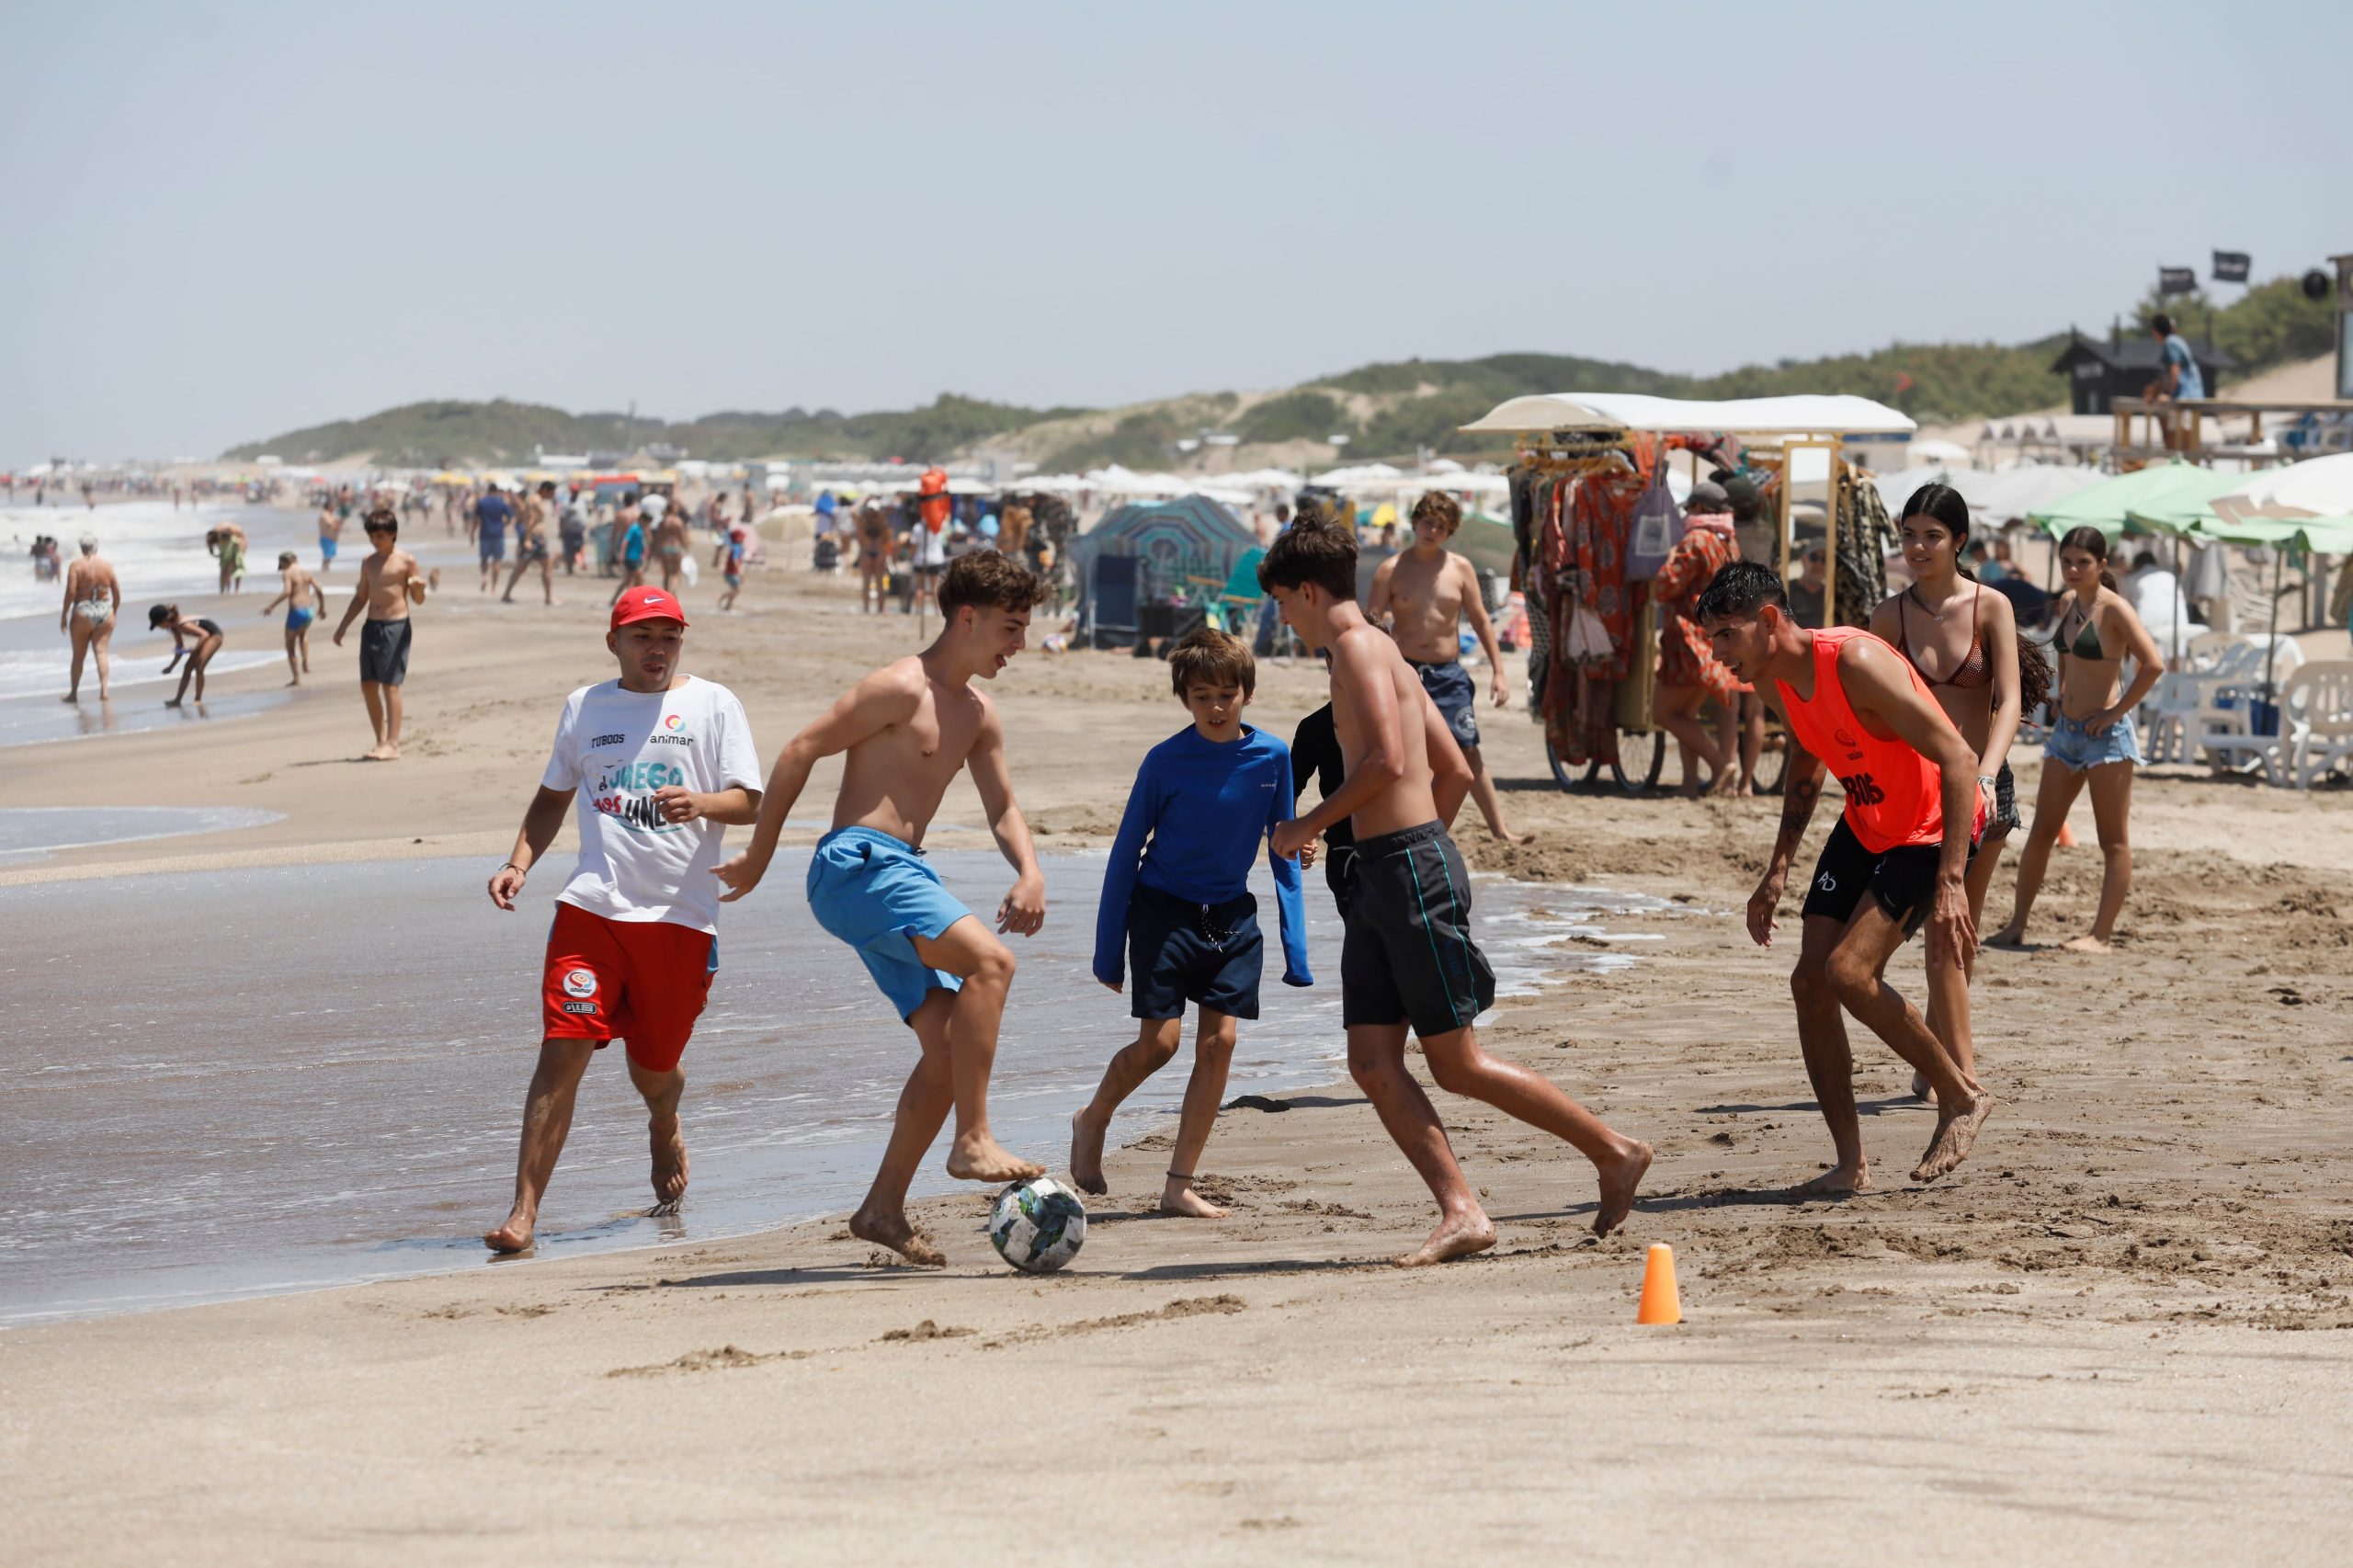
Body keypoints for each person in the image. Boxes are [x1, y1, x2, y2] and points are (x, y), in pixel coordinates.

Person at [1261, 515, 1652, 1264]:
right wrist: (1400, 844)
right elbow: (1456, 773)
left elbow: (1385, 760)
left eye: (1282, 601)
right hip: (1391, 871)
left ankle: (1614, 1150)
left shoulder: (1357, 651)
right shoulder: (1382, 652)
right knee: (1371, 1063)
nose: (1282, 617)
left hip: (1406, 873)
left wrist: (1308, 824)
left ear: (1307, 591)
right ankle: (1462, 1211)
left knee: (1457, 1062)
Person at [712, 551, 1055, 1265]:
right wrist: (759, 855)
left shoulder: (978, 713)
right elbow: (801, 748)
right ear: (968, 618)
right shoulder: (900, 687)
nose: (1020, 644)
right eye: (1011, 627)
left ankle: (881, 1209)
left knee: (949, 1049)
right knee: (993, 961)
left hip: (899, 871)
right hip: (856, 865)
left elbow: (1004, 806)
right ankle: (974, 1138)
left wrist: (1030, 869)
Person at [481, 586, 763, 1253]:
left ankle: (663, 1121)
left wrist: (700, 802)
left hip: (680, 921)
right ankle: (523, 1213)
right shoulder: (586, 707)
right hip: (593, 909)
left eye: (668, 636)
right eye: (642, 636)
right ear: (615, 642)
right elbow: (552, 798)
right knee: (562, 1051)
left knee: (654, 1067)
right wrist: (519, 861)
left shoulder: (714, 704)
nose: (656, 649)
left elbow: (749, 801)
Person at [1697, 560, 1995, 1192]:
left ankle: (1960, 1095)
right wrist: (1778, 867)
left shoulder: (1855, 661)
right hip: (1866, 822)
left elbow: (1960, 757)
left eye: (1726, 634)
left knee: (1848, 973)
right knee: (1810, 982)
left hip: (1927, 830)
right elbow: (1809, 758)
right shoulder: (1774, 680)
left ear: (1770, 620)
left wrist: (1950, 882)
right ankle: (1850, 1165)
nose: (1717, 652)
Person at [1069, 629, 1313, 1217]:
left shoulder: (1273, 756)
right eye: (1202, 695)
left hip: (1230, 915)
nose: (1216, 706)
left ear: (1246, 693)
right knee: (1161, 1045)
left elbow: (1280, 840)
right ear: (1185, 698)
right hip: (1163, 910)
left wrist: (1296, 939)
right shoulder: (1165, 760)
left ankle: (1178, 1184)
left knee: (1220, 1042)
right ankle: (1094, 1115)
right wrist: (1109, 952)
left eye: (1227, 693)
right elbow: (1126, 851)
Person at [1869, 484, 2048, 1098]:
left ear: (1959, 542)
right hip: (1918, 797)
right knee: (1941, 930)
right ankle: (1948, 1066)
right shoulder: (1888, 617)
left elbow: (2009, 699)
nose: (1918, 547)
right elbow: (1871, 708)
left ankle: (1947, 1067)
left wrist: (1989, 772)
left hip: (1986, 788)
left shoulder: (1990, 604)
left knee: (1957, 930)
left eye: (1932, 536)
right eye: (1910, 534)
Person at [1988, 526, 2163, 954]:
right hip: (2067, 732)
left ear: (2101, 566)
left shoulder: (2115, 609)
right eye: (2067, 560)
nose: (2072, 568)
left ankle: (2100, 936)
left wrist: (2114, 713)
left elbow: (2153, 665)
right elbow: (2065, 655)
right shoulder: (2068, 602)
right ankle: (2016, 925)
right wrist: (2062, 693)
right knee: (2042, 831)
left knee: (2112, 840)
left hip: (2107, 737)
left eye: (2082, 562)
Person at [1364, 490, 1527, 843]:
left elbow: (1482, 621)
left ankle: (1500, 830)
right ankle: (1409, 825)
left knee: (1468, 751)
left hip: (1449, 674)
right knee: (1406, 754)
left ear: (1449, 531)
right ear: (1415, 523)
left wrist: (1499, 672)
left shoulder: (1460, 568)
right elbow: (1372, 627)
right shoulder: (1391, 569)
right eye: (1426, 522)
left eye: (1440, 526)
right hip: (1406, 672)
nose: (1431, 531)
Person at [1647, 488, 1749, 797]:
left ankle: (1721, 765)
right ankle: (1690, 784)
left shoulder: (1696, 540)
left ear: (1700, 507)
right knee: (1685, 716)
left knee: (1663, 713)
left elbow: (1664, 587)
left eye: (1690, 507)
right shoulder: (1728, 540)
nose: (1686, 513)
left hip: (1687, 639)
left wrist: (1665, 560)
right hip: (1712, 638)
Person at [330, 506, 431, 761]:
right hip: (372, 626)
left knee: (390, 686)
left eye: (382, 536)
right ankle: (380, 740)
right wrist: (343, 626)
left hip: (396, 626)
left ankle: (393, 744)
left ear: (393, 534)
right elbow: (362, 596)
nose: (377, 541)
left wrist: (418, 588)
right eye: (373, 536)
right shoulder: (368, 561)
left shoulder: (406, 561)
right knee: (368, 685)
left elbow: (418, 600)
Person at [59, 535, 119, 703]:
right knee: (102, 652)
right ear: (96, 547)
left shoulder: (76, 566)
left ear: (81, 548)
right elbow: (116, 592)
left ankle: (74, 693)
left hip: (83, 612)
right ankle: (104, 691)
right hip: (105, 610)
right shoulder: (106, 566)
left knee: (78, 656)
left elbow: (71, 592)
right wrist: (114, 611)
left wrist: (64, 615)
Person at [259, 550, 328, 686]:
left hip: (296, 611)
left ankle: (296, 678)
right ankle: (305, 663)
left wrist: (271, 606)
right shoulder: (306, 572)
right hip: (309, 610)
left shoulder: (287, 573)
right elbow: (319, 589)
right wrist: (322, 607)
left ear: (284, 562)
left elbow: (287, 591)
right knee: (303, 635)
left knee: (290, 645)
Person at [2143, 312, 2207, 453]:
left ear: (2155, 331)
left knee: (2184, 433)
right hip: (2185, 394)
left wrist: (2167, 393)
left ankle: (2187, 464)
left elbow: (2175, 369)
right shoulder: (2174, 341)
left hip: (2186, 395)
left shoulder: (2171, 342)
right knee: (2176, 433)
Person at [150, 603, 224, 708]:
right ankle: (177, 700)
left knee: (199, 666)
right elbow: (180, 648)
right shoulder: (174, 628)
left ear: (164, 620)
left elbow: (205, 635)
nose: (158, 627)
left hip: (214, 635)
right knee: (187, 667)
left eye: (157, 625)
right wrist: (171, 667)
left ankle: (198, 699)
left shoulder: (182, 624)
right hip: (204, 637)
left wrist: (193, 649)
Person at [501, 483, 556, 605]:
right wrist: (527, 539)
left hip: (535, 538)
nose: (553, 496)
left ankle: (548, 597)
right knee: (525, 567)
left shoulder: (535, 499)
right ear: (545, 490)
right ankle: (549, 598)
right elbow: (531, 520)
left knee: (527, 567)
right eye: (552, 493)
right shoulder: (535, 501)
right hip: (534, 538)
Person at [473, 483, 513, 592]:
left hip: (484, 534)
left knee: (484, 559)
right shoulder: (502, 502)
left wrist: (472, 533)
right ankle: (494, 587)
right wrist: (502, 525)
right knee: (497, 561)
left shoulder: (482, 502)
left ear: (488, 491)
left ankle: (485, 576)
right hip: (498, 534)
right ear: (496, 491)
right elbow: (510, 518)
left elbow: (476, 520)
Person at [610, 497, 649, 604]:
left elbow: (615, 533)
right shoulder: (635, 526)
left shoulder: (621, 514)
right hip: (630, 556)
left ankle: (618, 600)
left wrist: (644, 552)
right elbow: (625, 541)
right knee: (639, 578)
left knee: (629, 580)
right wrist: (622, 554)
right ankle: (638, 600)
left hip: (636, 556)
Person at [650, 493, 689, 594]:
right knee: (676, 573)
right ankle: (673, 589)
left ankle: (666, 594)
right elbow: (682, 538)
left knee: (666, 574)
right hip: (676, 548)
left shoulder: (663, 522)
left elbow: (658, 539)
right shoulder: (678, 521)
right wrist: (686, 548)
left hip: (665, 548)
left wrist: (655, 552)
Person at [856, 502, 891, 613]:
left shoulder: (862, 523)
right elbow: (886, 539)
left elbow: (860, 540)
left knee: (866, 583)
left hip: (867, 551)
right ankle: (881, 609)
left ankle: (866, 608)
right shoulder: (882, 524)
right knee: (880, 583)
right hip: (879, 552)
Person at [1785, 544, 1829, 630]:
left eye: (1824, 560)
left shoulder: (1832, 598)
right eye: (1814, 557)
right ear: (1803, 560)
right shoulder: (1786, 590)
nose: (1818, 564)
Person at [208, 523, 247, 594]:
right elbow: (211, 546)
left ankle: (235, 590)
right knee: (224, 572)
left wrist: (235, 558)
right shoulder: (218, 538)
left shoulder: (234, 537)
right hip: (226, 555)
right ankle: (223, 590)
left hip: (236, 553)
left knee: (235, 571)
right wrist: (217, 555)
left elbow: (241, 545)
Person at [557, 484, 587, 575]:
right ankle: (569, 569)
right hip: (569, 531)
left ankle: (577, 564)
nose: (575, 493)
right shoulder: (566, 502)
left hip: (579, 531)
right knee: (569, 551)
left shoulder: (582, 500)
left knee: (578, 549)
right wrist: (561, 531)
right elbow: (562, 518)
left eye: (577, 491)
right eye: (574, 491)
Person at [317, 499, 343, 574]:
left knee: (329, 556)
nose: (334, 507)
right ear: (329, 507)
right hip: (326, 538)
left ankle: (326, 569)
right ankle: (324, 569)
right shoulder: (324, 515)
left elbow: (337, 525)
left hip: (332, 539)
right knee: (327, 556)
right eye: (332, 506)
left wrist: (338, 524)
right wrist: (338, 524)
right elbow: (331, 524)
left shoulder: (331, 515)